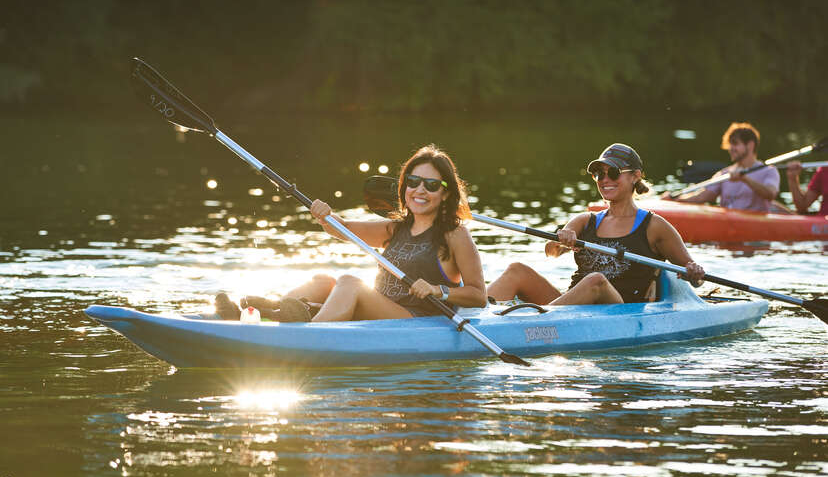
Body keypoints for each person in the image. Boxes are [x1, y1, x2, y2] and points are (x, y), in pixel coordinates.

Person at [216, 145, 487, 322]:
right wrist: (325, 215)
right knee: (323, 281)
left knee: (350, 283)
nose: (420, 190)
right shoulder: (395, 228)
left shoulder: (455, 234)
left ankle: (306, 336)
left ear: (446, 192)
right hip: (380, 310)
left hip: (415, 320)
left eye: (431, 185)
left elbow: (478, 295)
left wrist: (438, 290)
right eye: (413, 182)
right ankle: (263, 313)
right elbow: (343, 229)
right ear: (404, 187)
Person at [486, 143, 705, 306]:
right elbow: (551, 251)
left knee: (596, 281)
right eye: (599, 174)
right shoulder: (585, 220)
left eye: (613, 172)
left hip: (620, 312)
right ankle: (469, 317)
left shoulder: (655, 226)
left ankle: (537, 323)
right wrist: (563, 239)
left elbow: (693, 279)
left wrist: (693, 272)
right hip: (571, 307)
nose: (605, 179)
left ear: (635, 177)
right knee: (517, 270)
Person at [667, 122, 780, 212]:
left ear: (750, 145)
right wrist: (675, 199)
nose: (730, 148)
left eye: (735, 143)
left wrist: (745, 179)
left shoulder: (769, 171)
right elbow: (701, 197)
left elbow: (770, 194)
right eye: (730, 144)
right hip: (729, 227)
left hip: (756, 232)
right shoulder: (724, 173)